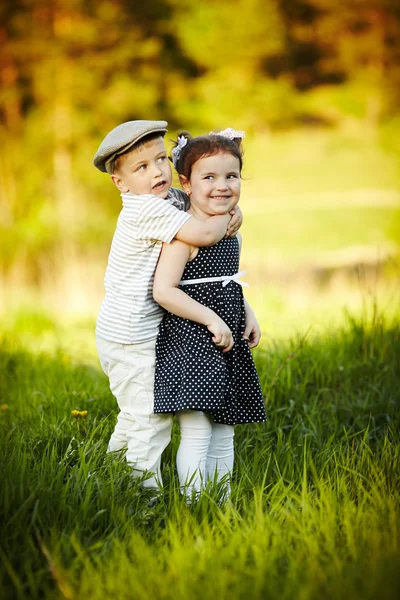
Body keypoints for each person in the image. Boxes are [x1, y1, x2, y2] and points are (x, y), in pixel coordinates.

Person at [93, 120, 242, 491]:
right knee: (150, 419)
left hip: (128, 330)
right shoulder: (144, 209)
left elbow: (198, 199)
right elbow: (206, 231)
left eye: (160, 159)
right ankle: (144, 500)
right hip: (130, 335)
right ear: (120, 183)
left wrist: (226, 206)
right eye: (141, 168)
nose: (157, 171)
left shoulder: (167, 199)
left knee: (135, 414)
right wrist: (233, 213)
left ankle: (109, 476)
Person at [153, 128, 266, 501]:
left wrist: (246, 312)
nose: (222, 186)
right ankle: (193, 504)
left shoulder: (229, 230)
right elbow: (164, 291)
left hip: (225, 340)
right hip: (190, 342)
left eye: (231, 176)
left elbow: (225, 280)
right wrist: (211, 319)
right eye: (209, 177)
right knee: (198, 430)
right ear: (186, 183)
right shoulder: (184, 235)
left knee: (225, 430)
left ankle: (222, 503)